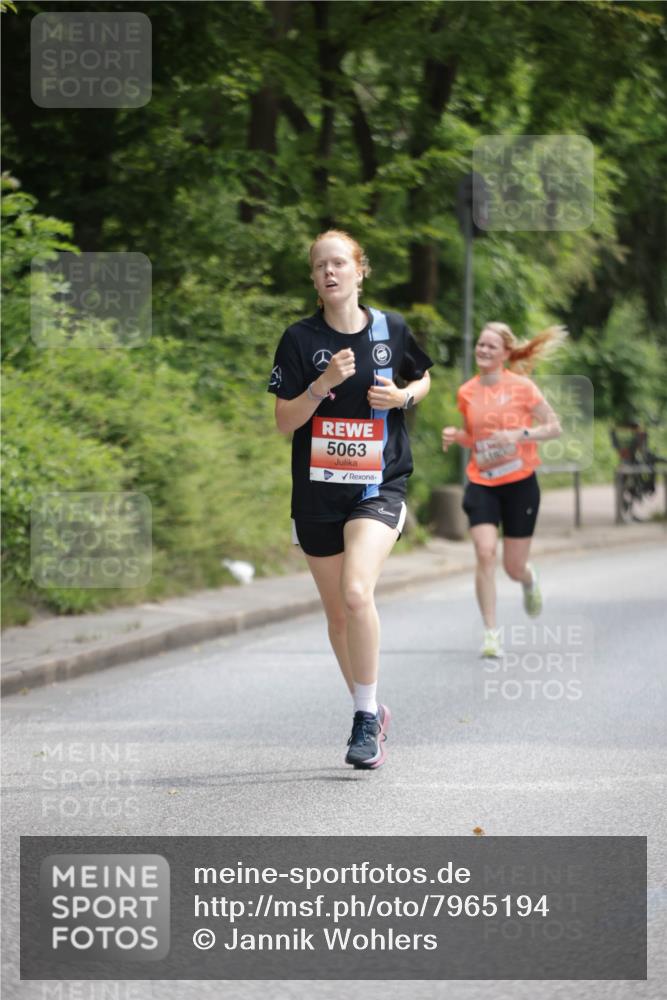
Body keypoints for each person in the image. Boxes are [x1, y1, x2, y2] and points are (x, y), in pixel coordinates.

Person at [268, 230, 433, 768]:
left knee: (357, 593)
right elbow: (283, 422)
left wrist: (404, 395)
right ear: (314, 279)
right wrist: (319, 386)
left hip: (377, 486)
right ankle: (373, 708)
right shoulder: (298, 339)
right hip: (317, 494)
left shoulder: (391, 329)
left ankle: (363, 720)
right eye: (320, 266)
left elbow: (423, 377)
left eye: (339, 263)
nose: (329, 272)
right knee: (338, 615)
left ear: (361, 271)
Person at [441, 322, 566, 658]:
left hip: (520, 484)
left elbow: (554, 427)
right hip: (482, 482)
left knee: (512, 567)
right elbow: (476, 439)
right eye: (480, 345)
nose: (482, 350)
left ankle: (527, 578)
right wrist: (458, 437)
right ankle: (491, 634)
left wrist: (519, 436)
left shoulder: (523, 387)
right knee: (484, 552)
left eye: (490, 347)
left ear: (506, 353)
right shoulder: (467, 391)